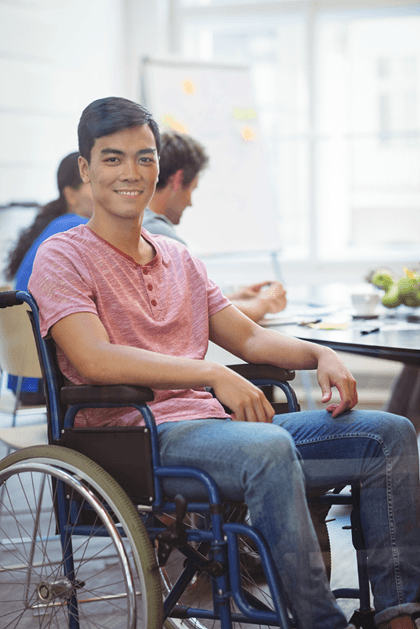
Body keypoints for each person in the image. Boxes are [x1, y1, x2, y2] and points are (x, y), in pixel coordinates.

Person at [28, 97, 420, 629]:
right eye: (112, 158)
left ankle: (398, 616)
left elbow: (252, 340)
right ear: (85, 168)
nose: (131, 172)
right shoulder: (62, 255)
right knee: (269, 446)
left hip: (217, 431)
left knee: (390, 435)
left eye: (144, 158)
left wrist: (322, 353)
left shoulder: (181, 259)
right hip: (135, 438)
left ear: (158, 168)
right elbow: (95, 360)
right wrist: (213, 373)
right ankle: (318, 621)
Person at [143, 129, 287, 323]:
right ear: (178, 180)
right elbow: (200, 312)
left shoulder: (140, 223)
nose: (190, 202)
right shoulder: (158, 235)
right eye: (192, 189)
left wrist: (232, 298)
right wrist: (265, 303)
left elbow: (185, 301)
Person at [4, 152, 94, 404]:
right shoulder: (75, 230)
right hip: (47, 386)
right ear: (71, 194)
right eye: (91, 183)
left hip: (24, 381)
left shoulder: (55, 227)